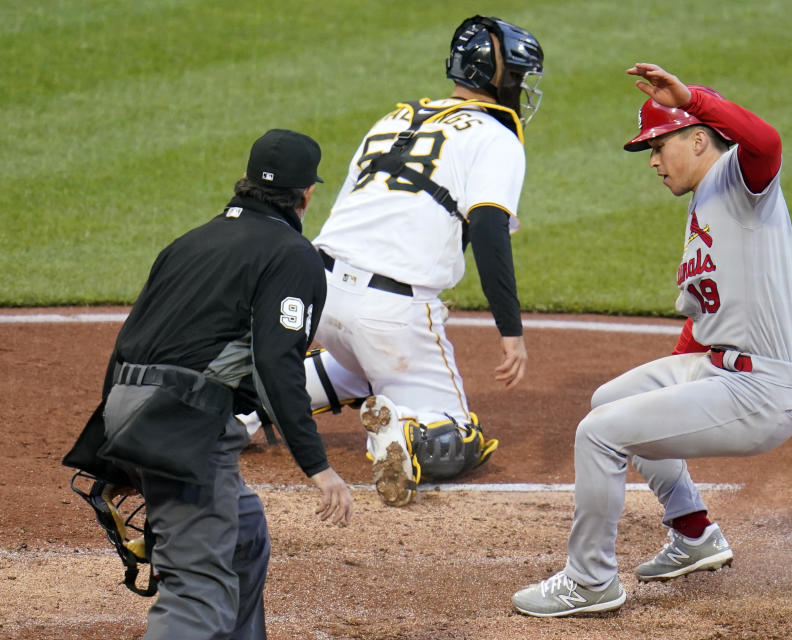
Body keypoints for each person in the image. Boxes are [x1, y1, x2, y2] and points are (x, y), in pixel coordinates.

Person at [512, 63, 792, 617]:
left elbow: (767, 141)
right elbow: (702, 318)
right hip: (723, 369)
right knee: (613, 403)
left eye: (659, 145)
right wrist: (663, 394)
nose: (652, 161)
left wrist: (692, 97)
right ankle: (695, 533)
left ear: (699, 140)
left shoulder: (741, 181)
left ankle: (591, 581)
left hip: (760, 391)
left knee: (599, 435)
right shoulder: (706, 199)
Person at [238, 15, 545, 508]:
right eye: (520, 75)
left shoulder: (396, 118)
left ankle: (247, 404)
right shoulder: (496, 136)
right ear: (501, 77)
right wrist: (511, 330)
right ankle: (407, 436)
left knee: (362, 369)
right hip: (389, 313)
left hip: (318, 286)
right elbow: (487, 230)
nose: (524, 85)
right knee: (465, 436)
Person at [64, 129, 353, 639]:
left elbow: (131, 339)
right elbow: (276, 361)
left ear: (245, 181)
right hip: (184, 425)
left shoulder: (189, 242)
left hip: (134, 407)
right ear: (307, 195)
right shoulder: (292, 254)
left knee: (242, 533)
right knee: (198, 595)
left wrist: (115, 448)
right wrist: (318, 467)